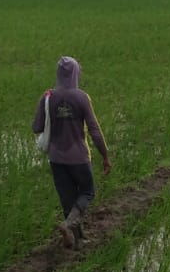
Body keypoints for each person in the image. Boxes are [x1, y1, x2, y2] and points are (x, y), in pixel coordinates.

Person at [32, 56, 111, 248]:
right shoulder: (81, 97)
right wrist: (105, 155)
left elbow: (37, 127)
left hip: (57, 160)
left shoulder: (48, 97)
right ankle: (68, 227)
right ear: (76, 74)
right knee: (87, 192)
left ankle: (78, 241)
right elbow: (94, 129)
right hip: (79, 158)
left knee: (68, 202)